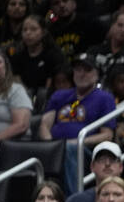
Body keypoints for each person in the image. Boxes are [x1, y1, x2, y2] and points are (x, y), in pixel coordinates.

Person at [38, 52, 116, 193]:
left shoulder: (105, 98)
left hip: (84, 151)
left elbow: (107, 135)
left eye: (87, 70)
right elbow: (45, 124)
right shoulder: (60, 95)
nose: (81, 74)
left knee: (70, 150)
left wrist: (76, 142)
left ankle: (73, 201)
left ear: (97, 73)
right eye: (78, 70)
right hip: (56, 147)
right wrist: (52, 145)